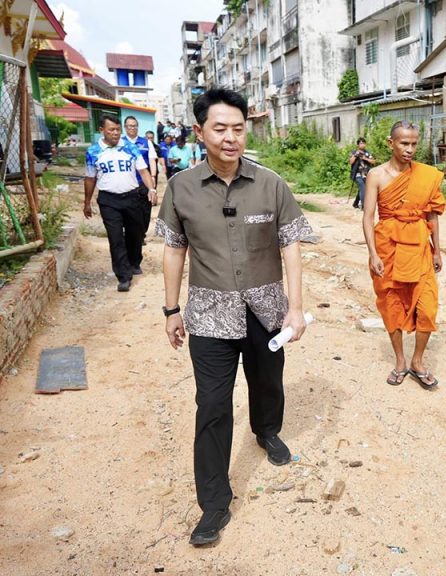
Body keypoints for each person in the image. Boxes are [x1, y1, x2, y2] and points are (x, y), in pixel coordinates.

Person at [156, 87, 312, 547]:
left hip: (265, 310)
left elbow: (291, 245)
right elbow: (174, 250)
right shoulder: (181, 187)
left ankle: (267, 431)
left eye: (238, 129)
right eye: (220, 128)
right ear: (199, 131)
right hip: (209, 315)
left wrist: (295, 308)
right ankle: (214, 503)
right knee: (212, 406)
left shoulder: (270, 183)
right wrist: (171, 309)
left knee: (268, 383)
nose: (230, 138)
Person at [362, 121, 446, 389]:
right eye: (404, 143)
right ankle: (400, 361)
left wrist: (437, 250)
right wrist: (373, 254)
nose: (410, 149)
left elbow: (432, 214)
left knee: (428, 306)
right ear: (391, 143)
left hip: (419, 246)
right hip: (388, 246)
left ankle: (417, 361)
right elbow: (368, 217)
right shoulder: (376, 175)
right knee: (391, 304)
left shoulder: (426, 175)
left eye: (414, 144)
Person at [83, 113, 156, 292]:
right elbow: (90, 178)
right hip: (108, 200)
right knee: (115, 238)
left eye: (117, 130)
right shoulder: (93, 152)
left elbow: (143, 171)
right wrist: (87, 201)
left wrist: (152, 189)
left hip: (132, 197)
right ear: (102, 130)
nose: (115, 133)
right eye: (111, 130)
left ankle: (134, 262)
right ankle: (123, 276)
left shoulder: (130, 148)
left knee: (135, 234)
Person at [121, 116, 158, 249]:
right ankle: (130, 234)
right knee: (128, 210)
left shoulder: (146, 143)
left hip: (143, 182)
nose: (132, 128)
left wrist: (153, 177)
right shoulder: (120, 143)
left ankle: (141, 234)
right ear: (125, 127)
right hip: (127, 182)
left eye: (135, 126)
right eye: (130, 126)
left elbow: (152, 160)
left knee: (145, 210)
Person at [349, 137, 375, 209]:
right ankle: (364, 206)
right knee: (363, 188)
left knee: (362, 188)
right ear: (358, 145)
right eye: (361, 143)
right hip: (357, 174)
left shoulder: (367, 153)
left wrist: (365, 158)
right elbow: (350, 162)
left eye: (364, 143)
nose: (362, 144)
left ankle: (355, 203)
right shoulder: (354, 152)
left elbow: (373, 162)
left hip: (366, 174)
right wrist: (355, 155)